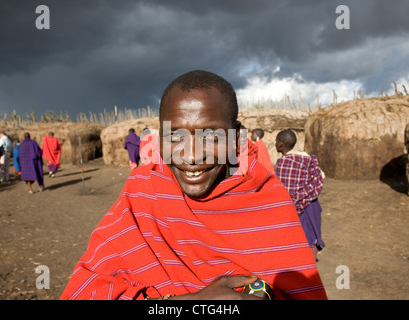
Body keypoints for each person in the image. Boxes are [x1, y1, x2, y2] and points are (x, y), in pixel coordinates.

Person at [61, 70, 327, 300]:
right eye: (174, 136)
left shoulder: (265, 199)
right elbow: (86, 288)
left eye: (210, 136)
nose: (190, 156)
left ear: (235, 135)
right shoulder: (143, 190)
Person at [274, 129, 325, 260]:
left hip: (297, 210)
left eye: (276, 142)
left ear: (280, 145)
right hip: (311, 206)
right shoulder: (306, 159)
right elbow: (318, 177)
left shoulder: (284, 163)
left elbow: (287, 193)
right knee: (309, 239)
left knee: (297, 240)